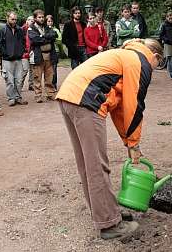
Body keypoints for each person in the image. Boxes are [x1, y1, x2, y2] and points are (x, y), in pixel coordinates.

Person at [56, 38, 163, 240]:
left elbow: (120, 109)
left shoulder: (125, 54)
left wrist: (128, 141)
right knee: (97, 165)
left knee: (87, 163)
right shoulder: (142, 61)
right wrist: (134, 143)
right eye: (159, 64)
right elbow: (134, 106)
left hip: (70, 95)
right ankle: (110, 224)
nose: (155, 68)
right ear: (155, 56)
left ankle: (104, 213)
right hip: (86, 100)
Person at [0, 11, 27, 107]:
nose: (14, 21)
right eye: (12, 19)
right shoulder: (2, 30)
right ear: (7, 18)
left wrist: (21, 52)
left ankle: (18, 97)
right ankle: (11, 98)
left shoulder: (19, 30)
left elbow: (23, 42)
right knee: (9, 80)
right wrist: (5, 54)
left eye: (15, 19)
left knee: (19, 80)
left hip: (18, 59)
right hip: (7, 60)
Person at [28, 10, 58, 103]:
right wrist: (47, 38)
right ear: (35, 18)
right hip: (39, 55)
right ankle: (38, 95)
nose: (41, 19)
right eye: (39, 17)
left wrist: (43, 36)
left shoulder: (47, 27)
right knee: (37, 76)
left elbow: (54, 34)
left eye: (42, 17)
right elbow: (35, 40)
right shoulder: (31, 28)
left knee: (49, 76)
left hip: (49, 55)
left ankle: (50, 94)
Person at [159, 11, 172, 80]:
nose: (170, 17)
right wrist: (166, 40)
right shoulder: (164, 25)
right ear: (166, 18)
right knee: (170, 60)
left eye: (171, 16)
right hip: (168, 45)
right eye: (168, 16)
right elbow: (161, 35)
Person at [45, 15, 59, 89]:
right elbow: (44, 37)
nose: (50, 23)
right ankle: (48, 85)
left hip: (55, 52)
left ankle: (54, 84)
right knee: (47, 69)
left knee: (54, 69)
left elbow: (58, 38)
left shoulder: (55, 30)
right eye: (48, 21)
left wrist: (50, 37)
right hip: (46, 52)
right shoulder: (44, 29)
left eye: (51, 21)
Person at [21, 16, 35, 91]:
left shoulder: (34, 30)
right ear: (26, 21)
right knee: (24, 70)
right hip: (24, 52)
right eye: (29, 20)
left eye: (32, 20)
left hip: (32, 51)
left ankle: (31, 85)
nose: (31, 21)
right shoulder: (21, 29)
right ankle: (19, 85)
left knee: (32, 70)